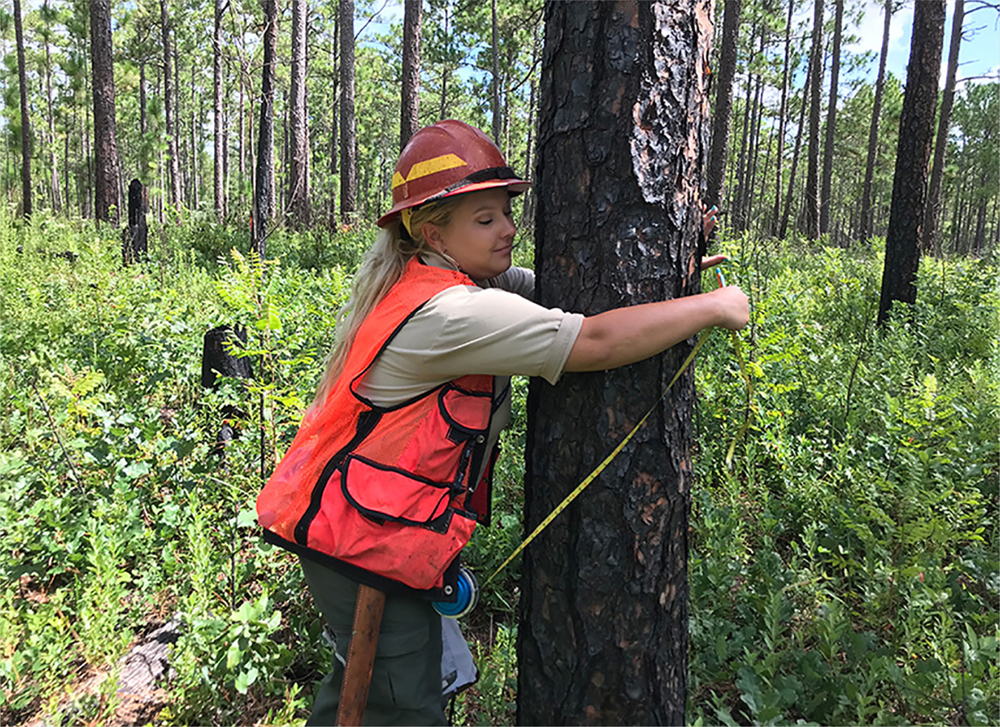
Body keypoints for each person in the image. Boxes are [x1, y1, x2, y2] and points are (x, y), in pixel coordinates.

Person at [256, 119, 748, 726]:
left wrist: (670, 283)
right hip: (360, 542)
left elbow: (571, 298)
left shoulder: (440, 279)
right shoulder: (450, 313)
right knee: (401, 707)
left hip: (371, 530)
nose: (510, 229)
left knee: (368, 690)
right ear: (433, 233)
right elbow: (590, 340)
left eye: (507, 213)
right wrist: (712, 308)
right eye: (485, 220)